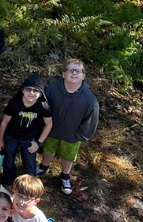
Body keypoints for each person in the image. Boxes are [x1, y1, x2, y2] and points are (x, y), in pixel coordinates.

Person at [40, 58, 99, 194]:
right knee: (48, 148)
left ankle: (65, 175)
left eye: (78, 71)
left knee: (68, 155)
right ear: (63, 74)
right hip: (51, 131)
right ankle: (44, 166)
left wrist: (79, 135)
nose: (74, 73)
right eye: (70, 70)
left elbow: (91, 119)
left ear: (83, 76)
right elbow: (41, 108)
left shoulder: (89, 98)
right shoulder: (51, 90)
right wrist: (42, 126)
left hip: (71, 136)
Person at [0, 73, 53, 181]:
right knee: (8, 161)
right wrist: (0, 140)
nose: (31, 93)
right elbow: (4, 122)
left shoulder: (43, 107)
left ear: (41, 94)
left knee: (30, 164)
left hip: (29, 139)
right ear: (22, 90)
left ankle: (31, 187)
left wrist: (39, 142)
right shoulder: (14, 103)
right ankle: (8, 183)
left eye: (35, 90)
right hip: (11, 136)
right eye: (28, 89)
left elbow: (49, 124)